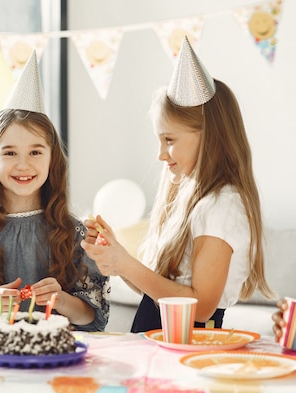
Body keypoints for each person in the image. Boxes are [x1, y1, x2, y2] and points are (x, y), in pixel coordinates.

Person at [81, 37, 274, 333]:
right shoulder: (193, 200)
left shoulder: (222, 205)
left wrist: (126, 264)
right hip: (159, 336)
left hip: (188, 342)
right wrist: (119, 259)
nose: (160, 154)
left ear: (210, 136)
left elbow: (201, 306)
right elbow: (158, 293)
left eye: (169, 140)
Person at [0, 52, 110, 332]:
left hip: (56, 362)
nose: (23, 164)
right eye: (10, 152)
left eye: (35, 152)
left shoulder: (73, 233)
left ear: (52, 159)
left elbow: (92, 317)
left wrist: (61, 300)